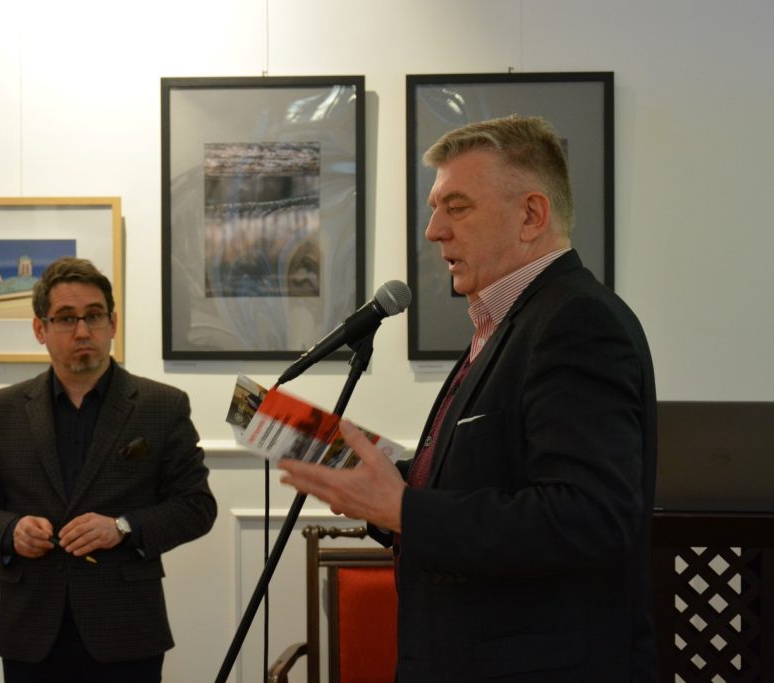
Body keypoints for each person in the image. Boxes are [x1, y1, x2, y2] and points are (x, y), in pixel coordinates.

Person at [279, 115, 658, 682]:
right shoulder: (506, 321)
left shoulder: (576, 321)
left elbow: (587, 518)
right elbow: (492, 475)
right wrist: (382, 483)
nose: (434, 230)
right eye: (435, 208)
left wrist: (404, 508)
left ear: (531, 216)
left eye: (456, 207)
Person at [0, 257, 217, 683]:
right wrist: (10, 531)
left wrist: (123, 527)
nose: (82, 331)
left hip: (126, 629)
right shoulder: (3, 409)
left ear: (113, 323)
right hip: (31, 629)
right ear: (40, 329)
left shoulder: (162, 405)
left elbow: (197, 507)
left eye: (94, 316)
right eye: (65, 318)